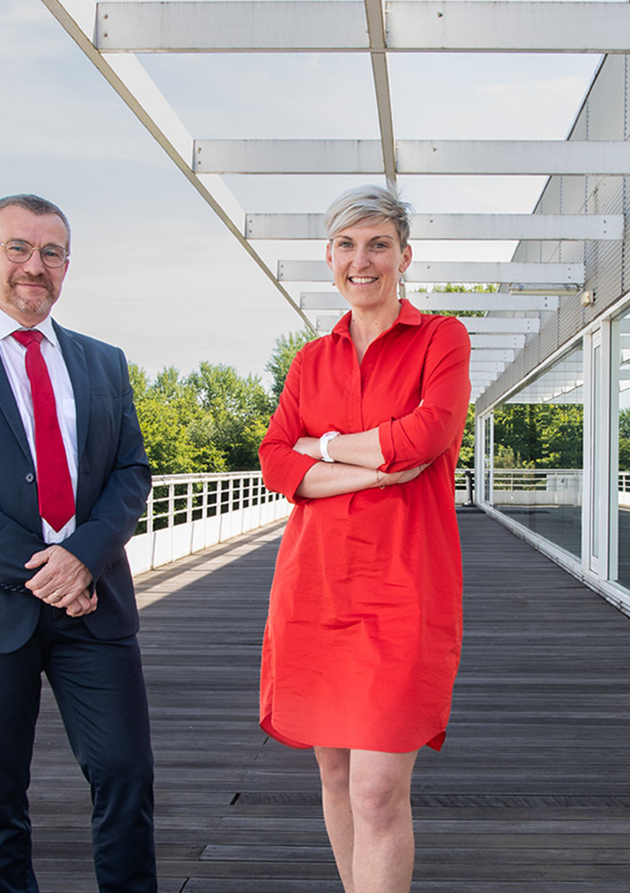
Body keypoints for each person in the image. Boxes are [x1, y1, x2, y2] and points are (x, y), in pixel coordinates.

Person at [0, 194, 156, 893]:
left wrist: (83, 558)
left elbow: (132, 472)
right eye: (18, 247)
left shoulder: (104, 363)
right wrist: (46, 569)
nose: (33, 266)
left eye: (50, 252)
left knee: (126, 776)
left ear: (66, 266)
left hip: (93, 604)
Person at [258, 185, 471, 893]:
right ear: (329, 259)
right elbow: (274, 459)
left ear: (404, 255)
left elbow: (427, 436)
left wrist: (321, 452)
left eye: (378, 243)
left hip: (404, 588)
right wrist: (373, 467)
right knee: (337, 773)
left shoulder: (441, 338)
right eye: (347, 245)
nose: (363, 260)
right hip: (316, 589)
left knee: (378, 788)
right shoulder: (309, 362)